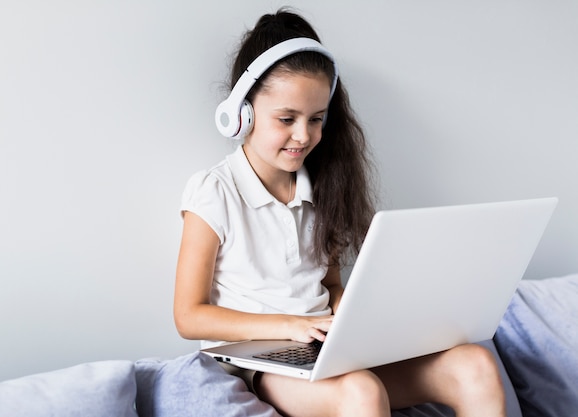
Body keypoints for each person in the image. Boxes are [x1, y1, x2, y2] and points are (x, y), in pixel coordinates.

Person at [174, 8, 506, 417]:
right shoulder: (214, 192)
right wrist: (288, 325)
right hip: (258, 362)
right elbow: (189, 316)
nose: (304, 135)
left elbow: (329, 284)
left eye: (316, 120)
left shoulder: (323, 190)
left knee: (475, 364)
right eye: (286, 118)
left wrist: (357, 316)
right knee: (361, 392)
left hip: (321, 349)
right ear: (241, 113)